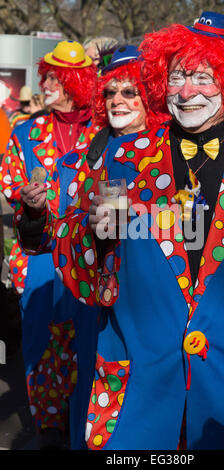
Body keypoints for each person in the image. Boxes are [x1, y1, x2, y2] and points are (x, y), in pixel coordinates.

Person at [49, 12, 224, 450]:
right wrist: (96, 237)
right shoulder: (126, 158)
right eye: (177, 77)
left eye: (202, 78)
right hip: (138, 389)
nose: (186, 92)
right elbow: (82, 266)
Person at [14, 44, 167, 450]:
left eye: (129, 92)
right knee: (94, 415)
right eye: (110, 92)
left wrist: (138, 222)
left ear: (150, 98)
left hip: (158, 316)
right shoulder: (78, 164)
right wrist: (34, 214)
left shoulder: (177, 159)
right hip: (95, 316)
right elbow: (48, 237)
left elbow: (197, 233)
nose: (117, 100)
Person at [0, 39, 99, 449]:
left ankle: (85, 417)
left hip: (91, 256)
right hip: (38, 253)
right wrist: (26, 197)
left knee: (86, 336)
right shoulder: (28, 129)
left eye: (58, 79)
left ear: (77, 83)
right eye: (49, 77)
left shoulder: (105, 130)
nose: (50, 85)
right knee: (41, 338)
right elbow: (9, 181)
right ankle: (48, 421)